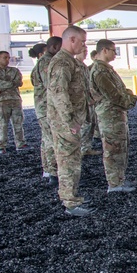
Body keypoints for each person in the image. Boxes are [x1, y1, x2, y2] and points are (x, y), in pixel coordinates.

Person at [46, 26, 94, 217]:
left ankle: (72, 195)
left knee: (73, 160)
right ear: (72, 39)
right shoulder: (61, 63)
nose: (84, 45)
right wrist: (70, 120)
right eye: (82, 41)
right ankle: (70, 202)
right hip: (65, 123)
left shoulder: (70, 62)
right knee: (67, 162)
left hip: (72, 120)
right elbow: (59, 94)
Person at [89, 39, 137, 193]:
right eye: (113, 50)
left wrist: (128, 96)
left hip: (116, 115)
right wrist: (131, 100)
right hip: (109, 115)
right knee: (112, 149)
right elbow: (114, 95)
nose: (115, 54)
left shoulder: (105, 69)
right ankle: (114, 183)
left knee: (121, 147)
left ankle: (119, 178)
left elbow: (121, 90)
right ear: (104, 50)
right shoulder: (99, 71)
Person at [32, 37, 60, 184]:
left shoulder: (44, 61)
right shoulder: (47, 62)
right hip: (47, 107)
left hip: (45, 106)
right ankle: (54, 173)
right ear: (55, 47)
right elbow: (53, 86)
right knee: (52, 140)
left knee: (47, 139)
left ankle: (49, 170)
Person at [0, 50, 27, 154]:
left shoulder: (15, 71)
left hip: (15, 100)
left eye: (8, 57)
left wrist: (2, 86)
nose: (7, 60)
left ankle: (20, 143)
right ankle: (1, 146)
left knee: (18, 123)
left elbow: (19, 82)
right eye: (4, 57)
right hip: (2, 102)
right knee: (2, 124)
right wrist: (13, 83)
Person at [77, 48, 101, 157]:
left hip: (88, 100)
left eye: (86, 51)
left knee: (91, 124)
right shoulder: (73, 65)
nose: (85, 53)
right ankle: (79, 149)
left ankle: (86, 147)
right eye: (83, 51)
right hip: (79, 102)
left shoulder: (84, 67)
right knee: (83, 126)